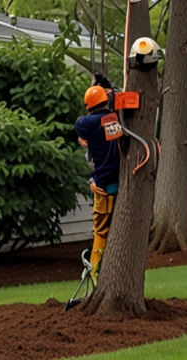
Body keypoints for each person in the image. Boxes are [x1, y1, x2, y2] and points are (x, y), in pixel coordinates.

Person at [74, 84, 120, 279]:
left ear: (89, 105)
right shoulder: (116, 118)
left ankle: (94, 275)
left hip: (102, 180)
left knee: (100, 232)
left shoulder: (85, 123)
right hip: (119, 179)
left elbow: (82, 125)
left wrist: (80, 139)